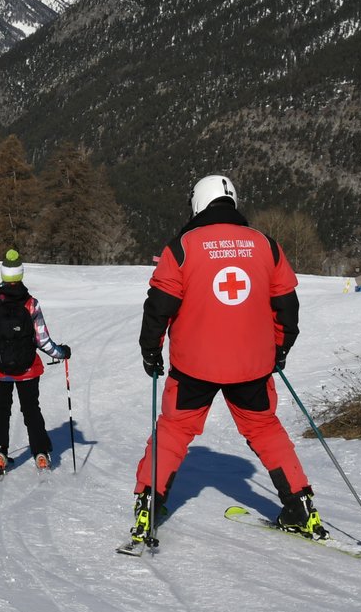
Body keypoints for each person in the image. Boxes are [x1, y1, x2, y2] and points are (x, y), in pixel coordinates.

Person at [130, 174, 317, 547]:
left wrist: (151, 350)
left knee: (174, 430)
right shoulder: (267, 245)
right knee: (264, 429)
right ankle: (300, 507)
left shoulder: (182, 247)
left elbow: (159, 307)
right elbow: (286, 306)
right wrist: (280, 349)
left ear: (198, 203)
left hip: (193, 367)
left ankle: (149, 503)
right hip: (252, 366)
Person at [0, 250, 70, 474]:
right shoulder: (31, 304)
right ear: (20, 274)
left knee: (0, 409)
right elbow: (42, 340)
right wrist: (61, 353)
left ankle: (0, 453)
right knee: (31, 409)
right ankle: (40, 453)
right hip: (28, 369)